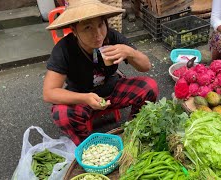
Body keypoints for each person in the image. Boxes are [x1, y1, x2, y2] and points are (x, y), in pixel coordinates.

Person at [43, 0, 158, 145]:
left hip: (113, 88)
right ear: (74, 29)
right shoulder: (64, 49)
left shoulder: (112, 37)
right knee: (62, 114)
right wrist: (85, 98)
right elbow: (49, 93)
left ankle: (133, 131)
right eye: (87, 28)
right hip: (82, 95)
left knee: (149, 87)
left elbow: (146, 66)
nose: (97, 34)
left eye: (100, 25)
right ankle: (89, 145)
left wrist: (130, 52)